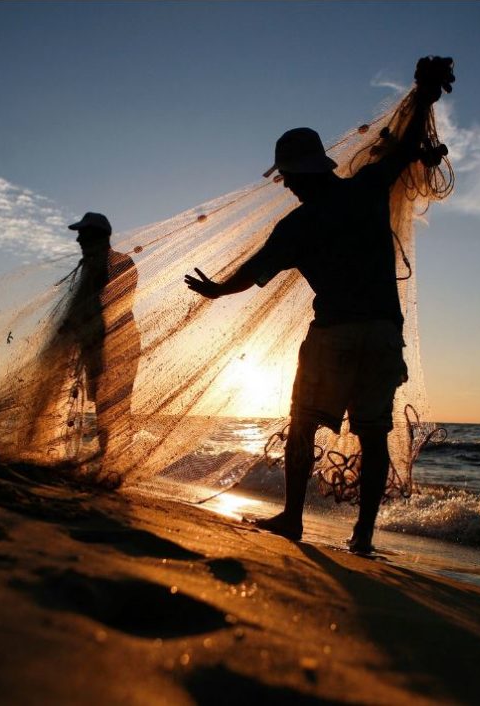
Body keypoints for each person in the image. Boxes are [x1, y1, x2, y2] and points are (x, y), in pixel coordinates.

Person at [184, 57, 454, 554]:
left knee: (303, 422)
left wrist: (219, 290)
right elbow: (405, 147)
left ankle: (291, 518)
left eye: (286, 177)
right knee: (373, 435)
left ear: (295, 174)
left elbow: (255, 271)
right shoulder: (368, 189)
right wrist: (424, 92)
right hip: (381, 333)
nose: (286, 185)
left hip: (333, 334)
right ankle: (364, 536)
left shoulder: (298, 227)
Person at [62, 212, 141, 468]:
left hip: (117, 344)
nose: (78, 240)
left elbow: (110, 305)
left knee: (113, 406)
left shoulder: (114, 263)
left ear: (98, 235)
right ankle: (112, 463)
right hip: (100, 343)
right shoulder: (94, 265)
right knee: (104, 405)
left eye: (83, 234)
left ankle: (115, 465)